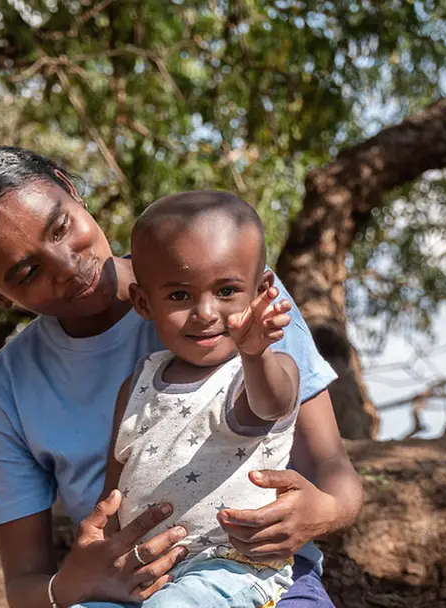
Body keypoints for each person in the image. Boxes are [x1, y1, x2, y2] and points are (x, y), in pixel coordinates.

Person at [0, 146, 362, 608]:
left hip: (258, 580)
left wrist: (325, 511)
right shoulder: (8, 386)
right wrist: (71, 584)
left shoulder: (241, 302)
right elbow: (25, 587)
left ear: (72, 191)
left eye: (61, 228)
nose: (68, 266)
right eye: (29, 271)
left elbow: (332, 465)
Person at [98, 190, 305, 608]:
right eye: (179, 296)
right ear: (143, 302)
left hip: (233, 567)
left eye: (227, 290)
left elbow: (270, 404)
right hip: (149, 573)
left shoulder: (260, 371)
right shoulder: (138, 383)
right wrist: (104, 557)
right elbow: (113, 491)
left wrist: (255, 351)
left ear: (262, 290)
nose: (206, 312)